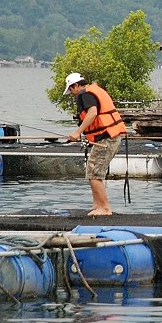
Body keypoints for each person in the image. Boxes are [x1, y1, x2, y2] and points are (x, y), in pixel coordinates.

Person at [64, 72, 127, 216]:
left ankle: (104, 208)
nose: (72, 93)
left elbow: (92, 113)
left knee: (94, 173)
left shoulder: (84, 94)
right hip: (108, 136)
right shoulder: (92, 91)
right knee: (92, 171)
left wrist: (78, 132)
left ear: (76, 85)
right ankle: (98, 204)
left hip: (107, 137)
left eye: (71, 89)